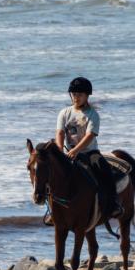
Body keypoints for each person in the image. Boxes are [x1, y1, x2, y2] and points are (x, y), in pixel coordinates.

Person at [56, 77, 121, 219]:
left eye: (79, 95)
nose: (76, 97)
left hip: (89, 153)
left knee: (105, 172)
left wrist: (76, 150)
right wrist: (60, 150)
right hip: (68, 153)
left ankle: (113, 204)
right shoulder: (64, 113)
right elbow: (60, 132)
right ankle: (52, 210)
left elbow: (90, 135)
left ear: (87, 96)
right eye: (73, 94)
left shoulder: (93, 114)